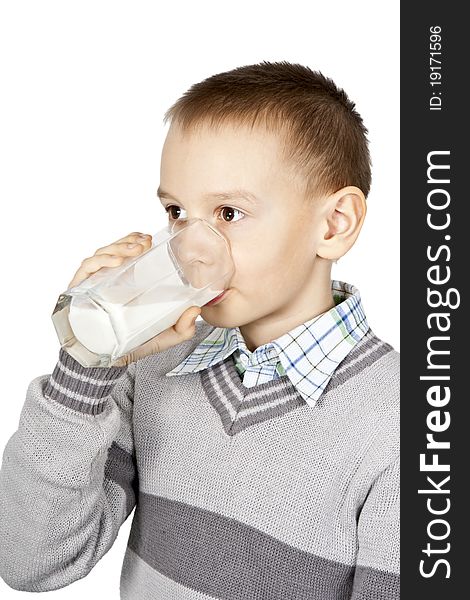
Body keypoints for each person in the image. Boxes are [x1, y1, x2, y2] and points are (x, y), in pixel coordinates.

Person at [0, 61, 399, 599]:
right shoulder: (153, 369)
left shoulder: (402, 424)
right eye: (177, 212)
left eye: (229, 213)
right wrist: (85, 366)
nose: (192, 248)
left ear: (334, 224)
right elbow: (31, 562)